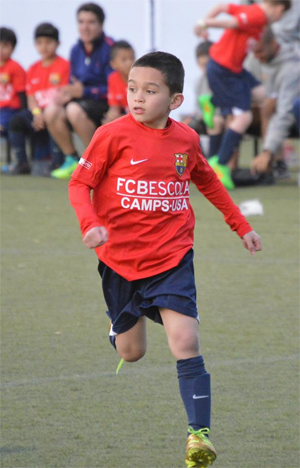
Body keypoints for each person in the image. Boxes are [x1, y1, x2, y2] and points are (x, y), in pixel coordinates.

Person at [69, 51, 262, 467]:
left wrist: (241, 226)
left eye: (149, 91)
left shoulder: (186, 141)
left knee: (185, 341)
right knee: (131, 352)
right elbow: (78, 184)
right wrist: (89, 223)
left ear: (175, 100)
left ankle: (199, 437)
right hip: (119, 260)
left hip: (173, 257)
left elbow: (209, 182)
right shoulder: (110, 135)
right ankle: (119, 324)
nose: (137, 98)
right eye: (132, 89)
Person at [194, 0, 291, 189]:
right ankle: (220, 165)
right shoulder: (258, 15)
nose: (280, 19)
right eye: (282, 15)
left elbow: (223, 7)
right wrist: (204, 24)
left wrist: (207, 21)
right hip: (225, 70)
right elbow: (231, 23)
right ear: (279, 9)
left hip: (234, 71)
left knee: (263, 94)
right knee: (244, 117)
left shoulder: (253, 11)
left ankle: (212, 101)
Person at [45, 2, 114, 180]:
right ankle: (72, 160)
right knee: (51, 109)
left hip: (105, 103)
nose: (85, 27)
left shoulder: (111, 48)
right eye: (81, 22)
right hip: (81, 101)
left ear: (100, 25)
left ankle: (99, 163)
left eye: (91, 22)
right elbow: (73, 83)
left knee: (73, 110)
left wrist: (84, 92)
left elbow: (114, 86)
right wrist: (65, 93)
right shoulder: (76, 50)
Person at [5, 23, 69, 176]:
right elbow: (31, 96)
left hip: (56, 112)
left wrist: (46, 114)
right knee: (16, 121)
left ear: (57, 44)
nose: (44, 47)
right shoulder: (33, 68)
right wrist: (36, 113)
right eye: (40, 43)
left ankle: (57, 163)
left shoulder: (64, 65)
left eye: (48, 42)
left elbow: (64, 94)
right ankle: (21, 163)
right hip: (37, 113)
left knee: (54, 118)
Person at [249, 26, 300, 175]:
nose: (257, 56)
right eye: (254, 52)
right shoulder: (254, 58)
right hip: (274, 112)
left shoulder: (292, 67)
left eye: (260, 51)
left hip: (293, 113)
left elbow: (285, 112)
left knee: (275, 107)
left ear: (273, 43)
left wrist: (267, 151)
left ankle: (276, 163)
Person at [182, 41, 224, 159]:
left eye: (208, 64)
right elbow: (197, 107)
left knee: (213, 122)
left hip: (220, 117)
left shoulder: (223, 80)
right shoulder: (199, 82)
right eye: (203, 65)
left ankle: (212, 160)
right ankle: (202, 160)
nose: (206, 69)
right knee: (185, 127)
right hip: (205, 117)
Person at [0, 27, 26, 165]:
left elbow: (22, 93)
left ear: (13, 48)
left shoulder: (15, 67)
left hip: (10, 110)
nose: (0, 50)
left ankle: (16, 161)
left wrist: (23, 113)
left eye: (4, 46)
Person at [102, 40, 135, 124]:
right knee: (107, 122)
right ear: (113, 64)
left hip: (139, 119)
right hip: (125, 117)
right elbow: (114, 107)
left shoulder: (140, 78)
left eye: (132, 58)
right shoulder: (113, 78)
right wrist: (111, 115)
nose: (129, 63)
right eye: (124, 60)